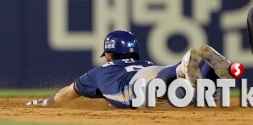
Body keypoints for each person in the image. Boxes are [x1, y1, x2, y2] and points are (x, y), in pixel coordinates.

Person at [26, 30, 232, 108]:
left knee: (153, 86)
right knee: (178, 88)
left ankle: (183, 68)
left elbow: (68, 93)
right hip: (156, 73)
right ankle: (210, 72)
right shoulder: (145, 62)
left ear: (108, 54)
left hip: (136, 86)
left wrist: (46, 103)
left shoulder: (100, 71)